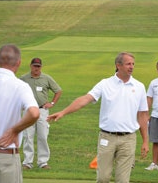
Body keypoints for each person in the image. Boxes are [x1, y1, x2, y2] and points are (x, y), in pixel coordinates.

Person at [47, 52, 149, 183]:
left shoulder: (139, 87)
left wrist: (145, 140)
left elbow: (142, 115)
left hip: (128, 140)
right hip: (107, 138)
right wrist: (63, 112)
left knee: (123, 180)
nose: (132, 67)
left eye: (133, 64)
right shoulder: (105, 83)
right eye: (128, 64)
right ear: (118, 65)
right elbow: (85, 99)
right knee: (103, 178)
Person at [0, 44, 40, 183]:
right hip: (5, 156)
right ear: (18, 62)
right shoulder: (20, 86)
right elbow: (34, 113)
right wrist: (14, 130)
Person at [21, 58, 62, 170]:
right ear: (30, 66)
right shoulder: (24, 78)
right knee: (28, 136)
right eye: (34, 66)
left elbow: (58, 90)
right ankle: (27, 162)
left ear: (41, 67)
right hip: (28, 110)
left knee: (43, 136)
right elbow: (17, 92)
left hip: (42, 111)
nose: (36, 68)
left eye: (38, 66)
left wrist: (52, 103)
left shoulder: (46, 78)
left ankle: (43, 162)